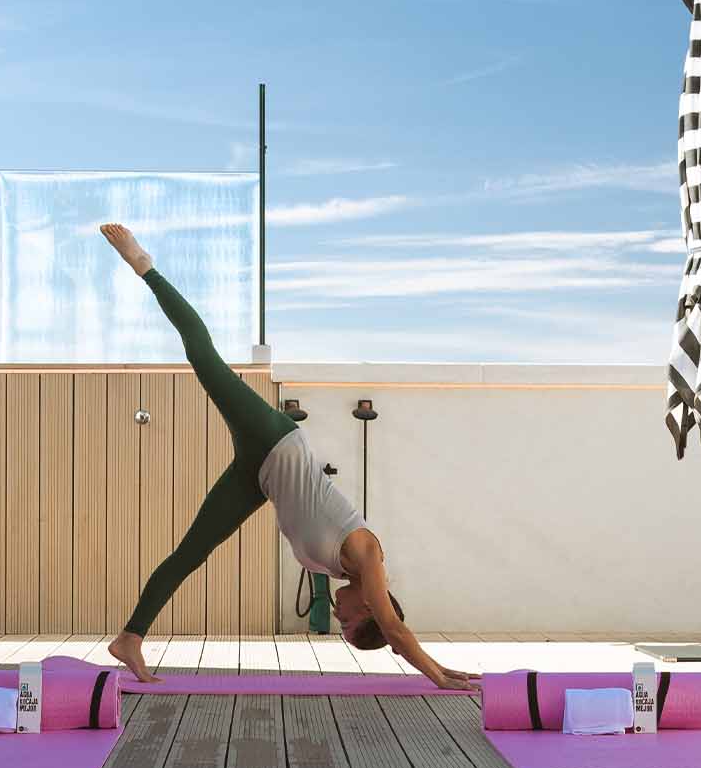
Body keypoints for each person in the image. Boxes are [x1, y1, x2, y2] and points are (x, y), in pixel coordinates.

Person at [97, 223, 475, 691]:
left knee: (190, 552)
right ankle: (144, 264)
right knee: (204, 357)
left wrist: (426, 662)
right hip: (275, 440)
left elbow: (389, 630)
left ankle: (130, 637)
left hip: (259, 478)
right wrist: (438, 673)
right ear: (371, 609)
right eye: (349, 624)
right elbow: (396, 632)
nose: (339, 618)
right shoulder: (367, 554)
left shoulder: (340, 569)